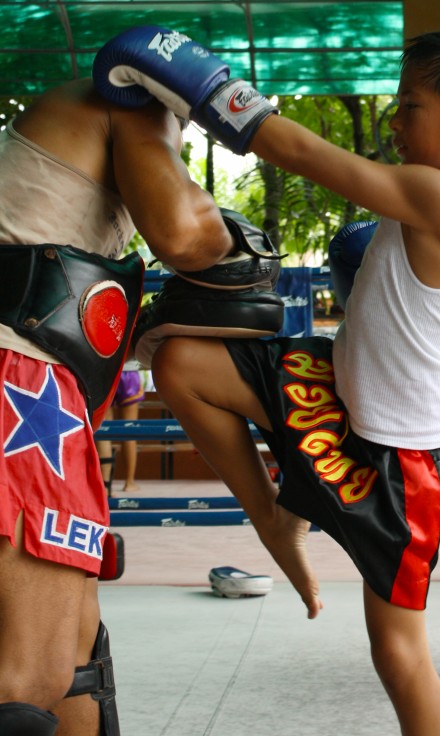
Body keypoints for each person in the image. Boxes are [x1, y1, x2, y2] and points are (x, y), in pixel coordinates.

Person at [99, 27, 440, 736]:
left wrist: (203, 83)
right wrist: (438, 292)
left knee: (397, 654)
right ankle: (274, 518)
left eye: (409, 105)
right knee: (179, 363)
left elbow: (298, 152)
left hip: (403, 463)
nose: (393, 121)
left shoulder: (438, 197)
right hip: (335, 386)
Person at [0, 75, 233, 734]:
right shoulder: (135, 103)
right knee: (28, 683)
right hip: (21, 388)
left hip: (41, 391)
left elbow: (55, 297)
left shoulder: (73, 168)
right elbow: (189, 239)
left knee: (80, 668)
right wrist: (224, 234)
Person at [98, 369, 146, 494]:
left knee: (104, 430)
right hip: (130, 373)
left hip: (107, 371)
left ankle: (105, 485)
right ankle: (129, 482)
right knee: (130, 431)